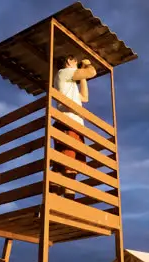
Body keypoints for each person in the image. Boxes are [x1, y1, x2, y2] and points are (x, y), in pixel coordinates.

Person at [50, 55, 97, 199]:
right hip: (68, 123)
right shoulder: (63, 72)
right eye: (74, 60)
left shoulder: (70, 84)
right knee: (66, 168)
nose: (77, 62)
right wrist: (88, 64)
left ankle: (62, 207)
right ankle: (52, 204)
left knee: (71, 169)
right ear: (68, 62)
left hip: (74, 126)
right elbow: (92, 72)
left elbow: (85, 97)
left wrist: (81, 73)